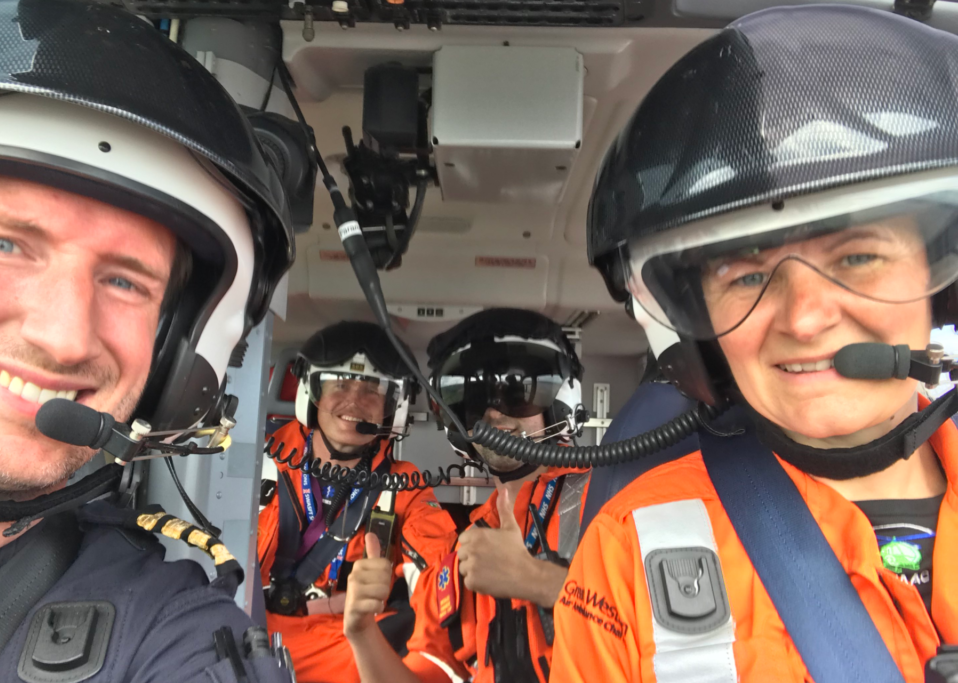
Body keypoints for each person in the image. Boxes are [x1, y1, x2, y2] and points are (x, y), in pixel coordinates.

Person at [551, 6, 958, 682]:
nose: (804, 317)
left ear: (940, 287)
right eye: (745, 276)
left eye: (858, 257)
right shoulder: (628, 550)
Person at [0, 0, 298, 680]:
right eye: (5, 243)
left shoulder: (178, 641)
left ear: (177, 361)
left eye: (126, 281)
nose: (64, 337)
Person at [342, 308, 591, 683]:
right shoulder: (468, 552)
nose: (494, 414)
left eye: (518, 392)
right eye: (475, 398)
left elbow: (665, 639)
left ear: (563, 399)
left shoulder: (612, 502)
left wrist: (540, 581)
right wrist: (362, 635)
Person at [257, 321, 457, 683]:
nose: (353, 401)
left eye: (372, 390)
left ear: (393, 407)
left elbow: (437, 570)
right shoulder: (258, 461)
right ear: (312, 392)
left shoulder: (404, 486)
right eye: (339, 384)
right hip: (248, 631)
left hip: (349, 643)